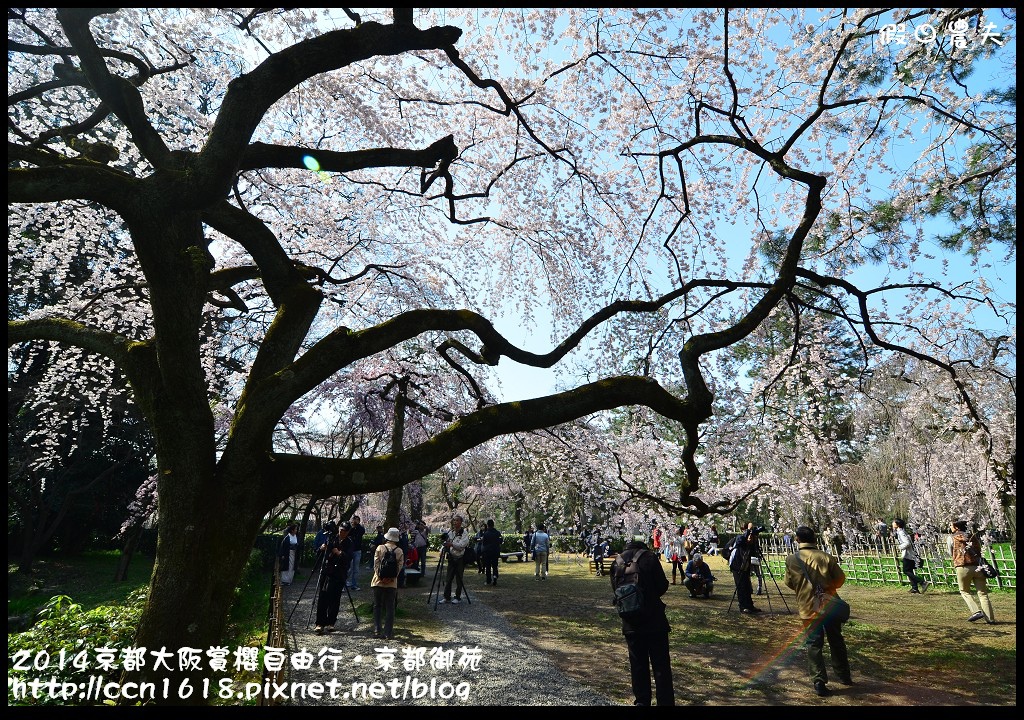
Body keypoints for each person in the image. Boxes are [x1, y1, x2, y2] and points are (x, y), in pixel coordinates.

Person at [784, 525, 852, 697]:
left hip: (807, 608)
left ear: (797, 540)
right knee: (836, 640)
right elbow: (840, 579)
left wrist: (803, 590)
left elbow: (788, 582)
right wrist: (827, 589)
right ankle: (844, 675)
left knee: (814, 644)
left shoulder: (792, 559)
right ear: (814, 538)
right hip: (829, 606)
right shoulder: (825, 557)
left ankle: (819, 681)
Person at [611, 538, 674, 706]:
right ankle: (665, 702)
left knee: (638, 664)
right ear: (643, 547)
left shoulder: (617, 562)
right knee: (661, 666)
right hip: (654, 620)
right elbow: (662, 586)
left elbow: (615, 589)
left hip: (630, 621)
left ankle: (642, 701)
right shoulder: (650, 558)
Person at [949, 520, 995, 624]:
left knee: (964, 591)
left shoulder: (952, 538)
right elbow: (979, 550)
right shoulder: (972, 536)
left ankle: (976, 611)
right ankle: (990, 619)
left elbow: (950, 551)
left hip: (962, 566)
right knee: (983, 593)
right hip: (978, 566)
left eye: (951, 525)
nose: (950, 527)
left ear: (956, 527)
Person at [315, 521, 353, 634]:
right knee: (323, 597)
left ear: (348, 532)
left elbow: (349, 558)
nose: (342, 533)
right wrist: (321, 549)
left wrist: (339, 553)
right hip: (326, 571)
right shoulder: (331, 538)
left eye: (345, 531)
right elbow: (320, 555)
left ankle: (331, 622)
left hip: (339, 574)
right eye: (341, 530)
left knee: (335, 599)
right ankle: (319, 623)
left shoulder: (349, 542)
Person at [371, 527, 404, 639]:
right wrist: (390, 579)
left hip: (378, 582)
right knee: (390, 607)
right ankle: (388, 633)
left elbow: (375, 564)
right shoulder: (399, 551)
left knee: (377, 605)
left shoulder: (380, 548)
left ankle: (377, 629)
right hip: (392, 583)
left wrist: (380, 577)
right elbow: (399, 567)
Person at [726, 523, 761, 613]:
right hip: (737, 566)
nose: (751, 538)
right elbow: (740, 541)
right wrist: (749, 530)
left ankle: (750, 606)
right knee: (741, 586)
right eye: (749, 536)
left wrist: (753, 541)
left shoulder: (750, 544)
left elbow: (754, 552)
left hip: (745, 567)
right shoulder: (739, 538)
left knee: (747, 586)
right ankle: (743, 607)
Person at [892, 518, 928, 593]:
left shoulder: (901, 532)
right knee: (909, 570)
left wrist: (900, 547)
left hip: (907, 554)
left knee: (906, 571)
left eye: (894, 522)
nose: (892, 523)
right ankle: (914, 588)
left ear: (897, 525)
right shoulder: (902, 531)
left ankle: (922, 582)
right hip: (910, 554)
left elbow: (907, 543)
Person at [442, 515, 471, 603]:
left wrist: (451, 545)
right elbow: (447, 542)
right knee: (449, 578)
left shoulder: (464, 533)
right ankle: (446, 597)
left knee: (459, 579)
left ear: (461, 522)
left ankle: (457, 597)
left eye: (457, 520)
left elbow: (462, 546)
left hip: (460, 558)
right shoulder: (450, 532)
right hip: (451, 557)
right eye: (454, 520)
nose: (455, 522)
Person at [347, 514, 367, 591]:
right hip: (349, 550)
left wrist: (357, 525)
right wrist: (352, 526)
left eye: (357, 520)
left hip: (357, 550)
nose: (355, 521)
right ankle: (345, 582)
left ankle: (354, 584)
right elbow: (347, 533)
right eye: (354, 519)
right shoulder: (350, 528)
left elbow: (362, 530)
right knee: (348, 568)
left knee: (356, 569)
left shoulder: (360, 529)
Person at [481, 519, 503, 586]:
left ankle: (488, 580)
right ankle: (495, 577)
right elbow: (501, 541)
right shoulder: (497, 533)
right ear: (493, 525)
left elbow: (484, 543)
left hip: (487, 552)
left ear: (487, 525)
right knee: (495, 566)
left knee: (488, 566)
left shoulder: (486, 533)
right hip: (495, 551)